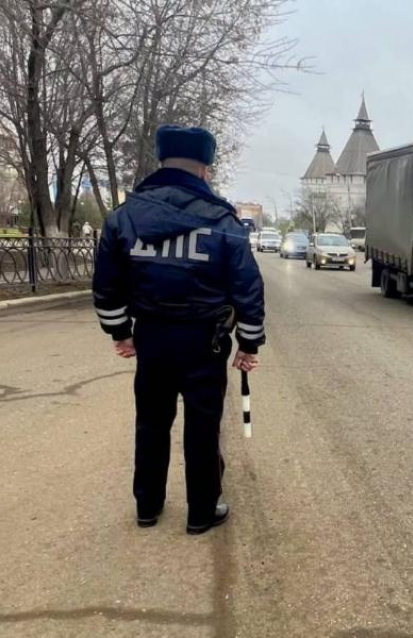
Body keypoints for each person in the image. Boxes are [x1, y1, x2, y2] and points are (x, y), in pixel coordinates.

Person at [92, 125, 265, 535]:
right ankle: (202, 512)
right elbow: (247, 285)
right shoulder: (222, 220)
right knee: (202, 425)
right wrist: (249, 343)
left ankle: (147, 507)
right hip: (204, 340)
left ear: (161, 162)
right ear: (204, 170)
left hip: (151, 336)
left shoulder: (125, 217)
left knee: (151, 421)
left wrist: (121, 333)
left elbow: (107, 284)